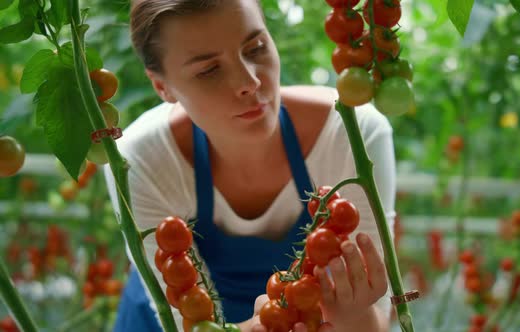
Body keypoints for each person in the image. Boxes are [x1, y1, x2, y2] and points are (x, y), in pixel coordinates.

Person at [104, 0, 397, 331]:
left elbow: (372, 315)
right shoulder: (141, 159)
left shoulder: (353, 137)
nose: (249, 81)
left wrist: (354, 314)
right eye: (209, 70)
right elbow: (184, 324)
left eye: (256, 48)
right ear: (162, 86)